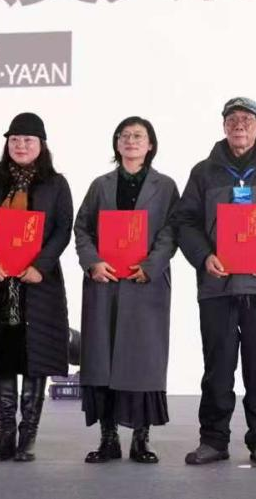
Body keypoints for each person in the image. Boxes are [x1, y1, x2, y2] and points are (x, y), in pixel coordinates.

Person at [173, 97, 256, 467]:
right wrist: (204, 257)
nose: (239, 125)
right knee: (217, 368)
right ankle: (213, 440)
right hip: (216, 286)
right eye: (232, 119)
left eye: (247, 119)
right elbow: (185, 221)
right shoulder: (204, 172)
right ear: (223, 126)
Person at [0, 112, 73, 463]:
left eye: (28, 140)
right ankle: (5, 436)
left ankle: (28, 438)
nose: (21, 146)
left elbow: (63, 229)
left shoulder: (56, 184)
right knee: (3, 355)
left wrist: (41, 266)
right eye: (15, 140)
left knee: (35, 356)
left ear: (41, 145)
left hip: (38, 283)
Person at [73, 116, 181, 464]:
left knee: (143, 360)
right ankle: (108, 438)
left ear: (151, 145)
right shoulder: (100, 185)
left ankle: (141, 439)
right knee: (102, 359)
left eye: (138, 136)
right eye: (124, 136)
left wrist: (151, 265)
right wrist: (92, 262)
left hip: (144, 284)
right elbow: (82, 228)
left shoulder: (165, 186)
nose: (131, 141)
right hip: (105, 283)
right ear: (116, 144)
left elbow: (172, 231)